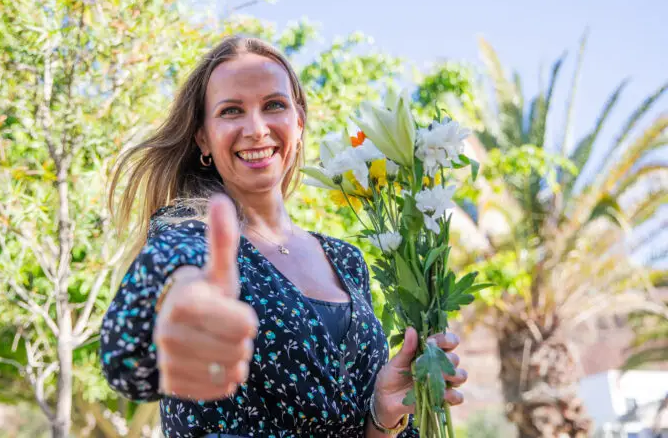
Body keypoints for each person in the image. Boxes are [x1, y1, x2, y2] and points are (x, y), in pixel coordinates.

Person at [100, 36, 468, 437]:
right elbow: (158, 303)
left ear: (299, 121)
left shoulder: (346, 261)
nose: (256, 129)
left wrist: (381, 415)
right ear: (202, 138)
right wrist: (183, 304)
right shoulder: (191, 233)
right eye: (231, 111)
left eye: (274, 105)